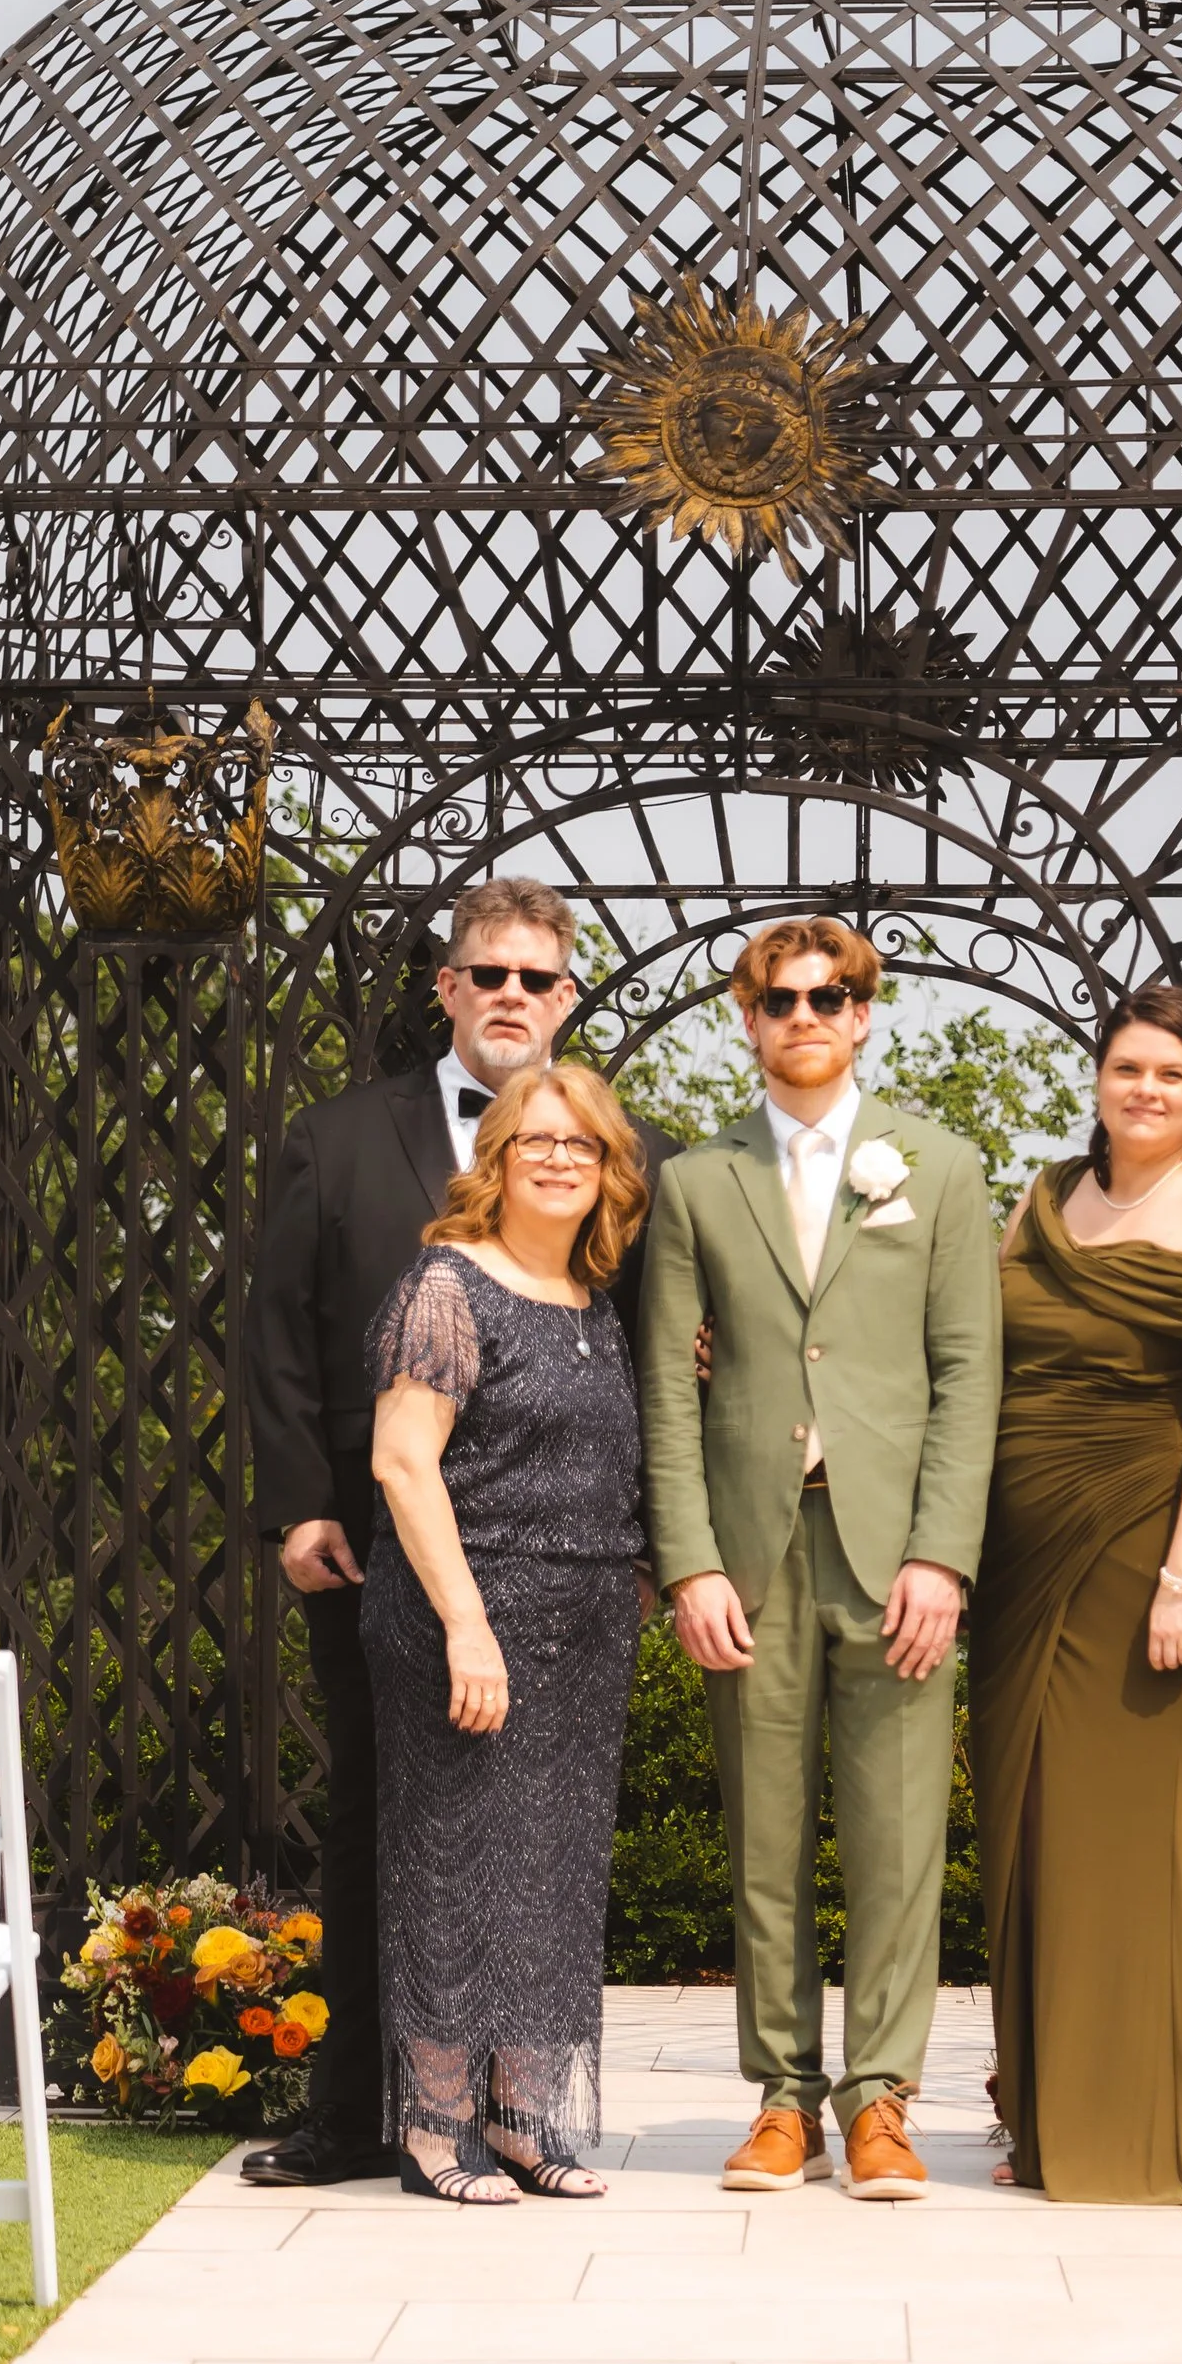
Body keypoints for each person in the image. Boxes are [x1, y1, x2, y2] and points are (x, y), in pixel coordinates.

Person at [245, 876, 675, 2189]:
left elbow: (655, 1369)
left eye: (535, 978)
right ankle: (365, 2115)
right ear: (447, 987)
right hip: (389, 1548)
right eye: (486, 972)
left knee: (535, 1844)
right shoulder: (337, 1135)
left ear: (569, 996)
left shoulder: (628, 1160)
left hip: (577, 1575)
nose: (509, 995)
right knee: (396, 1826)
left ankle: (509, 2111)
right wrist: (302, 1498)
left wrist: (659, 1543)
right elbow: (274, 1330)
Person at [637, 917, 1001, 2201]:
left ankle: (881, 2101)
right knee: (762, 1837)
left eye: (830, 996)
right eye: (779, 997)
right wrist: (688, 1563)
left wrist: (943, 1557)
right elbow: (667, 1395)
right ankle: (783, 2099)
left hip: (892, 1547)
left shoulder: (941, 1169)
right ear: (747, 1018)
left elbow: (968, 1375)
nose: (805, 1014)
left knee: (900, 1840)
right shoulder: (692, 1181)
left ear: (863, 1015)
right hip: (752, 1550)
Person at [972, 985, 1182, 2205]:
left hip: (1149, 1553)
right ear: (1097, 1079)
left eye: (1171, 1073)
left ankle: (1157, 2123)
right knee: (1037, 1834)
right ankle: (1050, 2117)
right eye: (1126, 1068)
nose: (1144, 1090)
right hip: (1022, 1567)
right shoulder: (1043, 1200)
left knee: (1141, 1840)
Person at [361, 1061, 651, 2200]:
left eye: (579, 1144)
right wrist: (466, 1626)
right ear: (495, 1157)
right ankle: (435, 2126)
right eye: (534, 1139)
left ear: (606, 1168)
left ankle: (523, 2116)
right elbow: (401, 1460)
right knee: (451, 1863)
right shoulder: (448, 1285)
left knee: (549, 1867)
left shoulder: (595, 1303)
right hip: (464, 1618)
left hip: (580, 1631)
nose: (556, 1158)